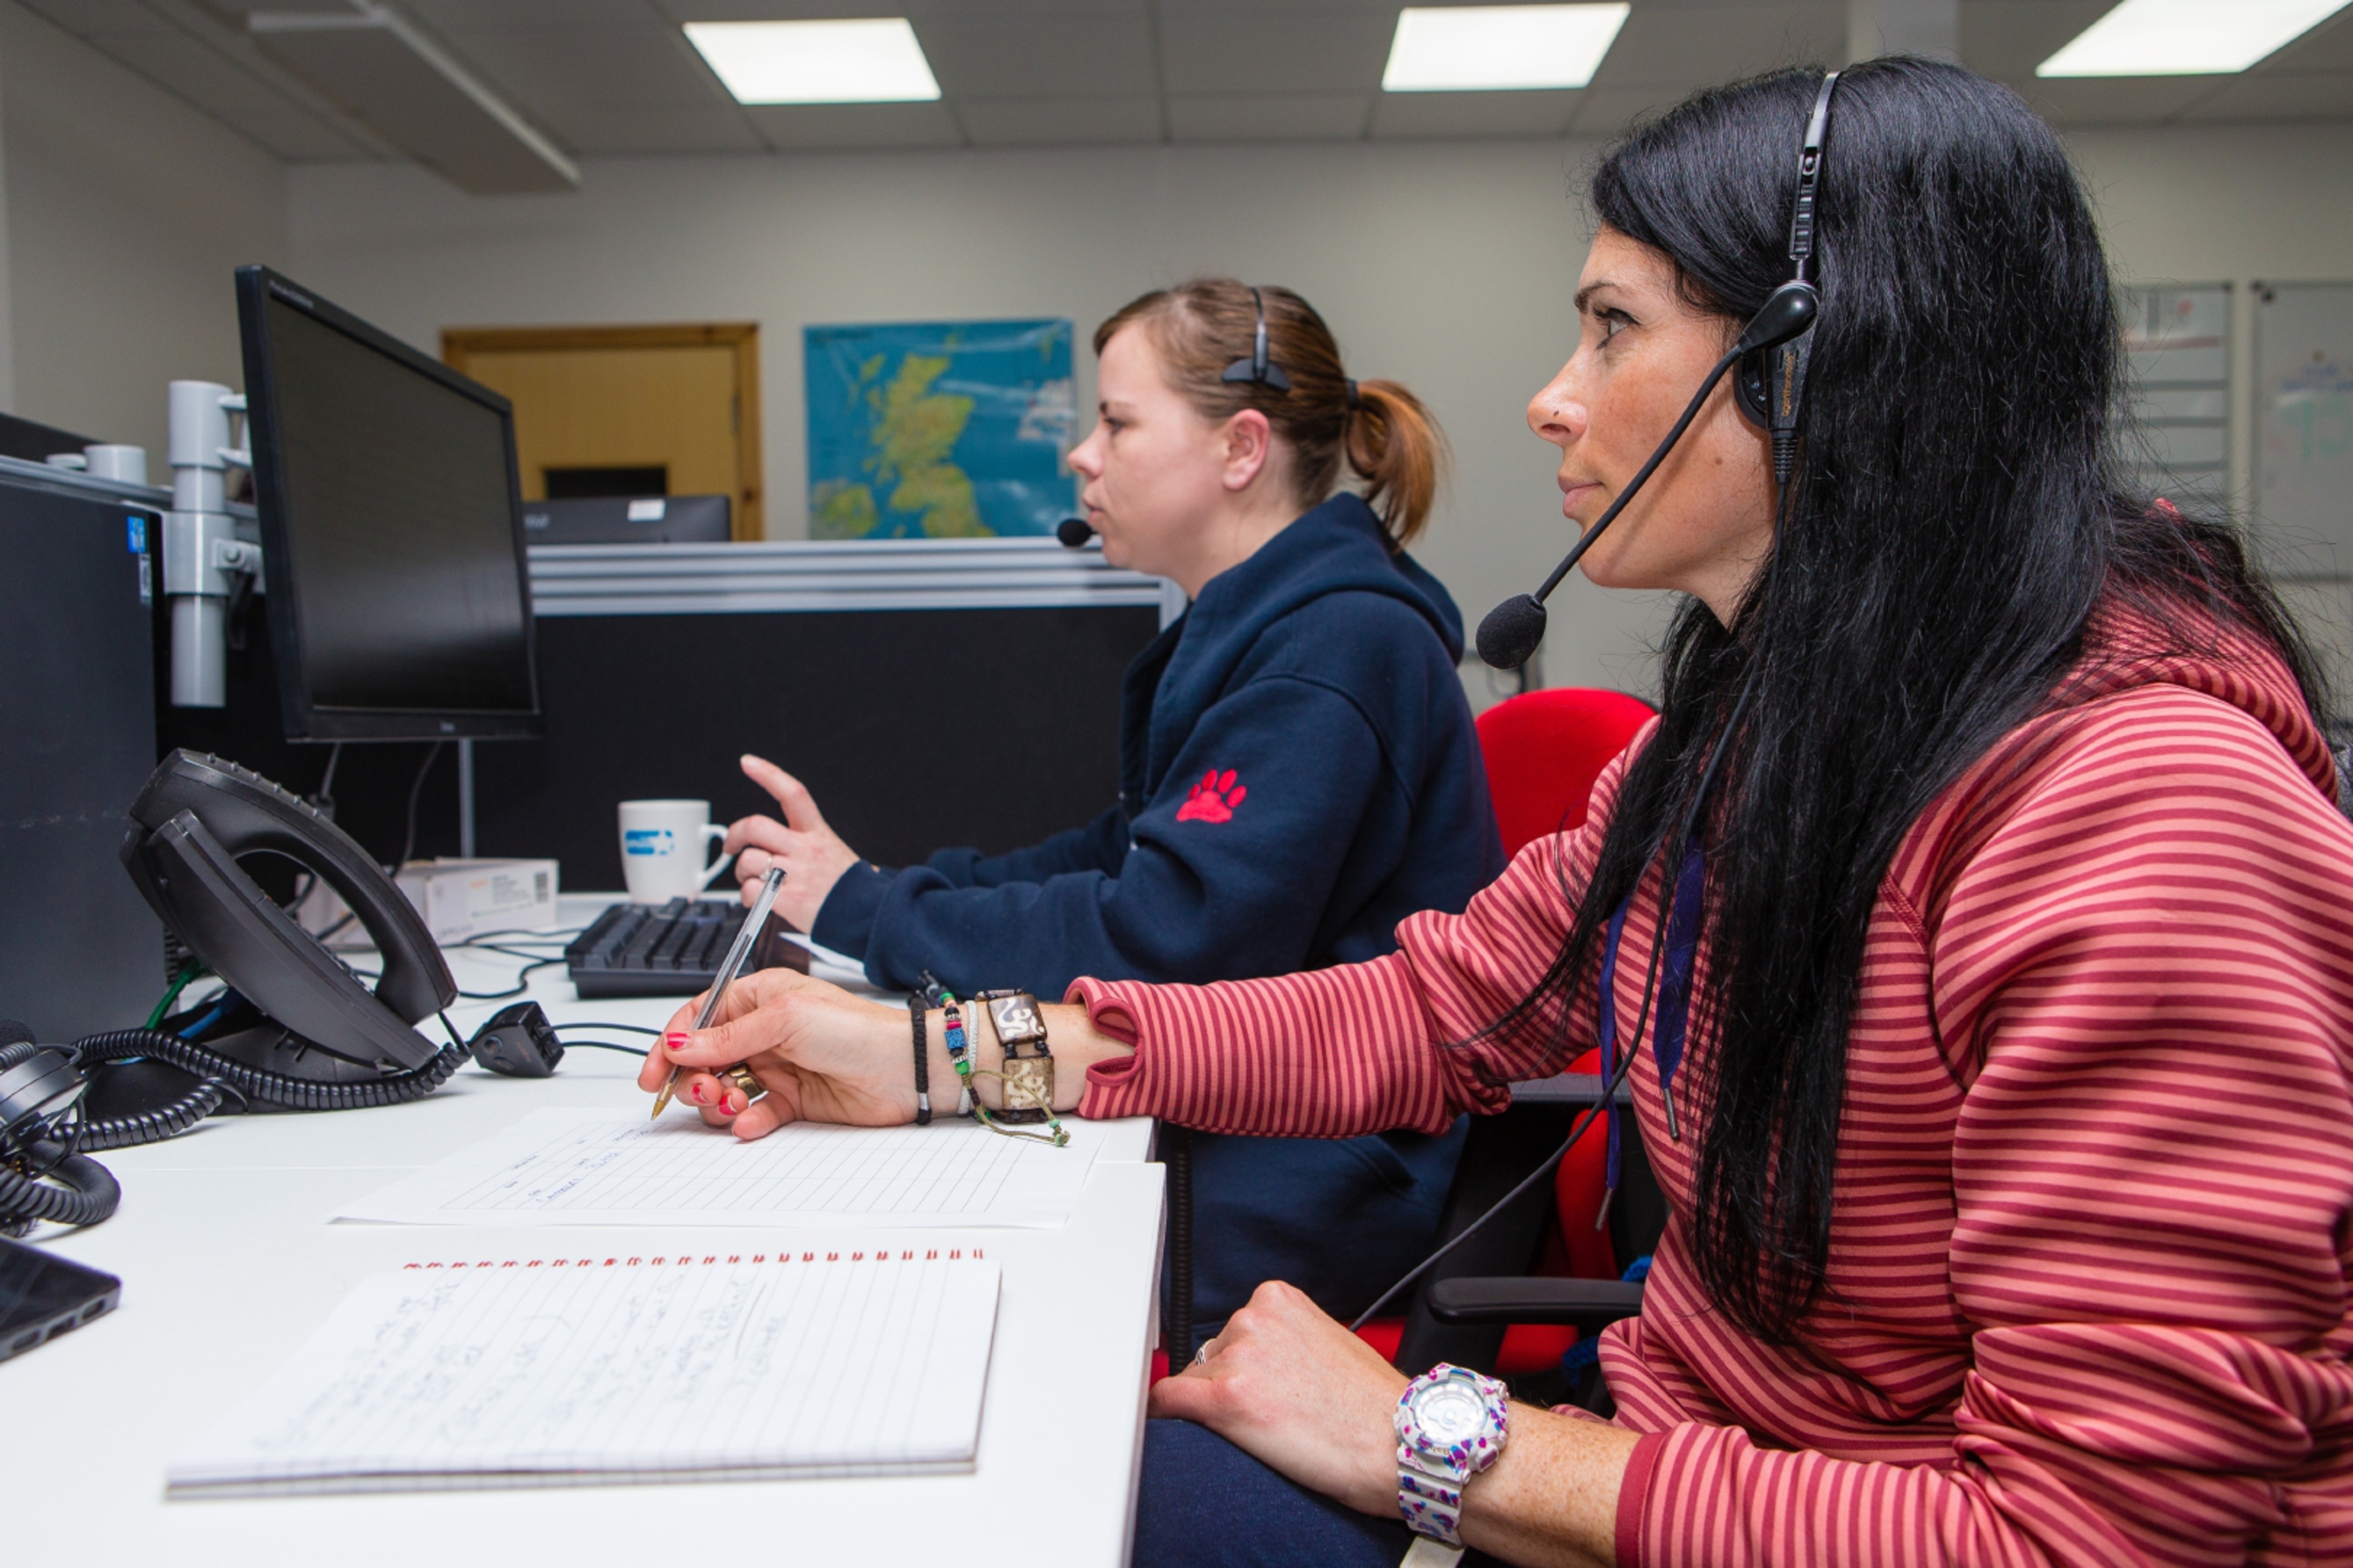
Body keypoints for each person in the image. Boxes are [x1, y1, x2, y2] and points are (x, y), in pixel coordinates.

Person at [640, 59, 2353, 1568]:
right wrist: (928, 1056)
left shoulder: (2140, 813)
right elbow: (1427, 1004)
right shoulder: (1750, 731)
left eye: (1612, 327)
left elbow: (2095, 1534)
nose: (1549, 392)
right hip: (1685, 1452)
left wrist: (1437, 1441)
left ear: (1819, 362)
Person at [713, 279, 1506, 1335]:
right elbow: (1129, 855)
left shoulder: (1335, 650)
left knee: (901, 1235)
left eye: (1118, 421)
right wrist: (883, 892)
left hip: (1323, 1166)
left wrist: (869, 910)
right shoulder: (1258, 629)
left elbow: (1162, 936)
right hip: (1248, 1116)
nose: (1082, 454)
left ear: (1240, 450)